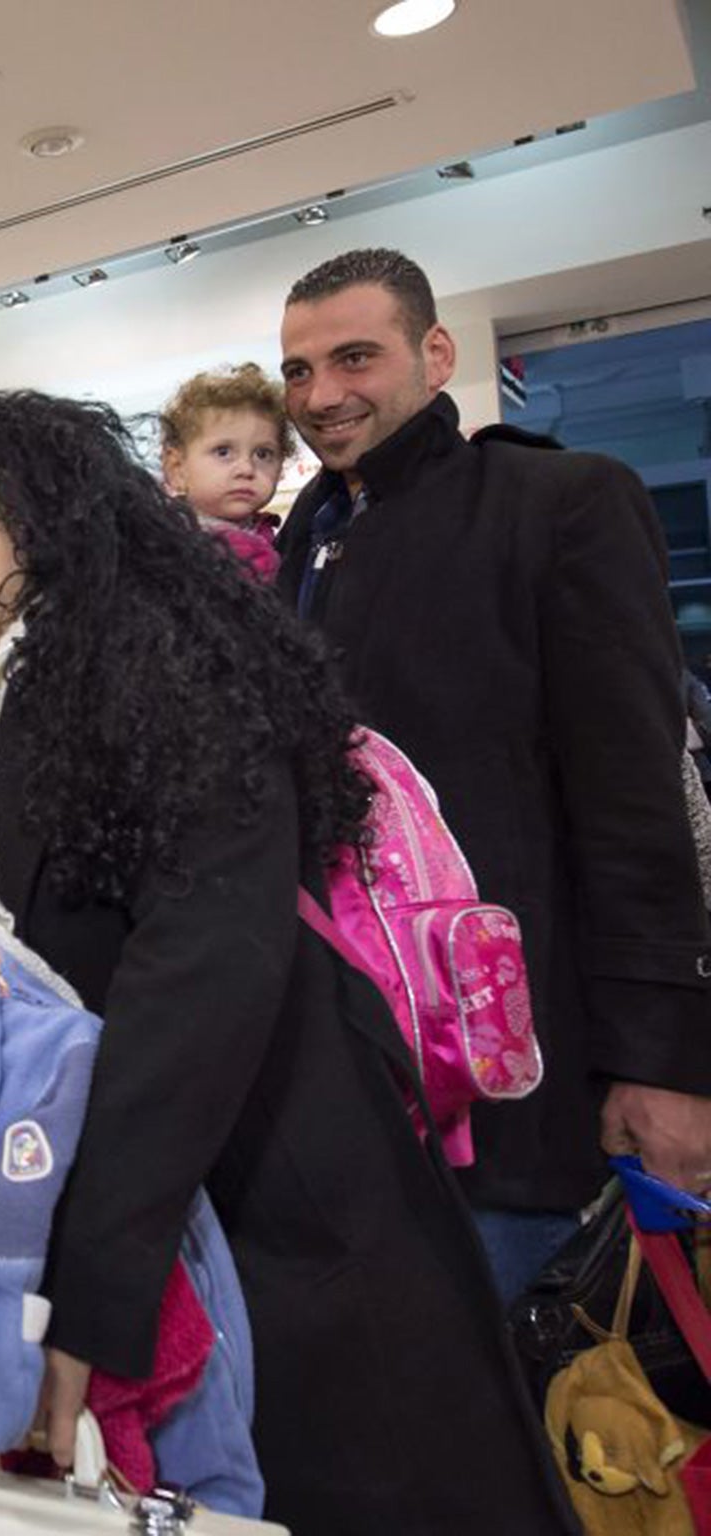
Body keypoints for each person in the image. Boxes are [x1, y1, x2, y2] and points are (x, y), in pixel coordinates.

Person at [0, 391, 573, 1533]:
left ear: (51, 531)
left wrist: (87, 1299)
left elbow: (193, 1004)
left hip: (282, 1237)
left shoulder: (175, 708)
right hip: (44, 1249)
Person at [276, 247, 711, 1298]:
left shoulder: (555, 501)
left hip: (512, 1083)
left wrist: (662, 1062)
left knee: (520, 1418)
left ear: (433, 355)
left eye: (352, 358)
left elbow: (632, 802)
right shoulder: (299, 548)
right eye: (296, 371)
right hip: (337, 1088)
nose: (320, 395)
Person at [157, 362, 291, 581]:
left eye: (263, 454)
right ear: (177, 468)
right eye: (223, 452)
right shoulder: (175, 551)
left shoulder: (272, 534)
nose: (247, 469)